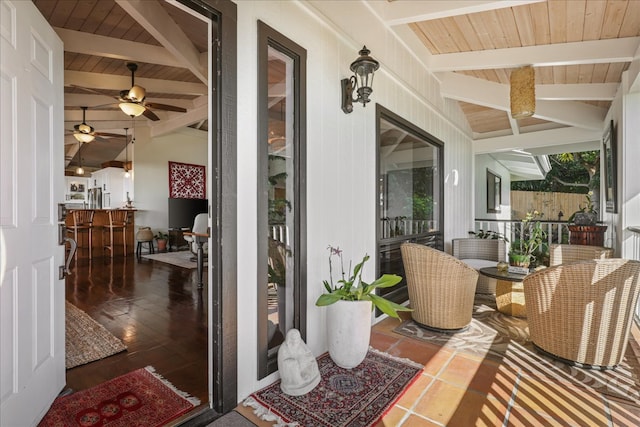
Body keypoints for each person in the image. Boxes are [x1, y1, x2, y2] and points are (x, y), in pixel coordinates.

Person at [277, 329, 320, 396]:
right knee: (294, 365)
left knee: (311, 360)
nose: (295, 341)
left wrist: (308, 357)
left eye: (297, 339)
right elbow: (283, 363)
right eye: (293, 339)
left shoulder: (301, 342)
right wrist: (294, 362)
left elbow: (307, 351)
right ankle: (299, 382)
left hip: (302, 363)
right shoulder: (284, 348)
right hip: (293, 368)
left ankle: (309, 376)